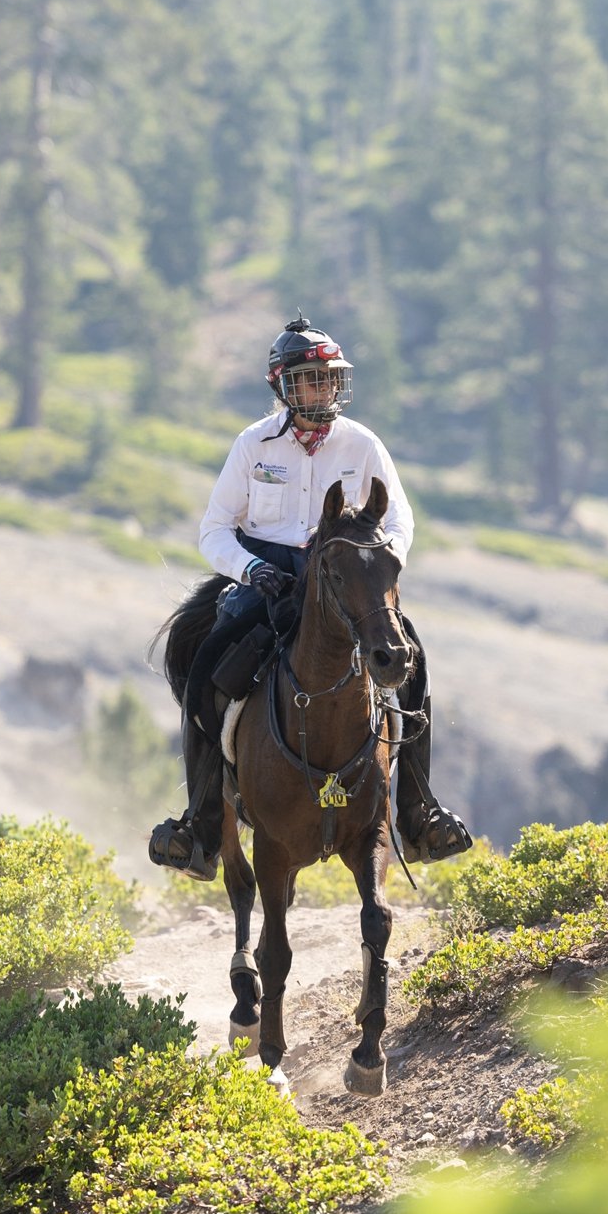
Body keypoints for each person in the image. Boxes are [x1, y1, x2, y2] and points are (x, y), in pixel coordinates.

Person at [147, 316, 473, 878]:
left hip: (347, 576)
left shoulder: (363, 444)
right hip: (269, 579)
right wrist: (250, 570)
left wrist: (379, 560)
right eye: (308, 381)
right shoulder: (252, 445)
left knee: (411, 659)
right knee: (204, 671)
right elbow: (214, 530)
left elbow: (399, 517)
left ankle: (418, 812)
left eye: (328, 380)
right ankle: (200, 825)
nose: (321, 391)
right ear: (282, 387)